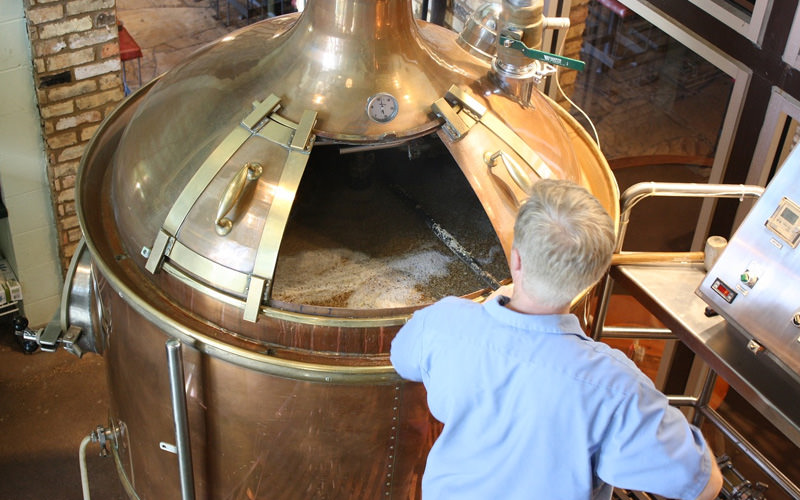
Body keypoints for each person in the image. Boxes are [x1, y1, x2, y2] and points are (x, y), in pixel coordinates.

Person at [390, 179, 722, 500]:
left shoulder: (444, 321)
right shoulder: (617, 390)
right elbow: (705, 485)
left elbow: (401, 358)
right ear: (595, 275)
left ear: (516, 259)